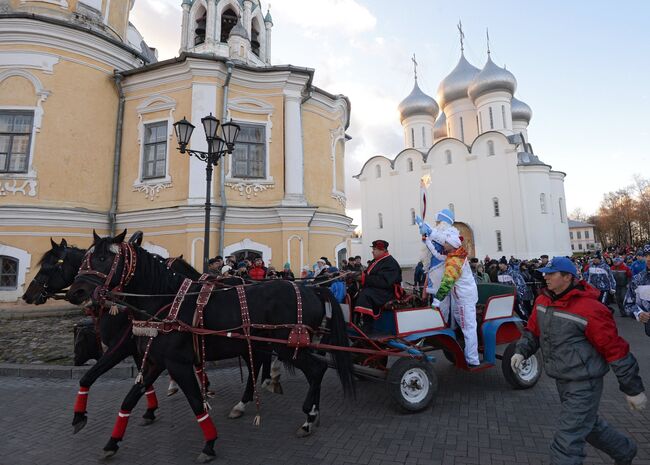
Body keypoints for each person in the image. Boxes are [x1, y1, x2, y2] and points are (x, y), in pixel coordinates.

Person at [511, 256, 646, 465]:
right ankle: (625, 450)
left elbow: (615, 349)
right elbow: (533, 332)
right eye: (545, 273)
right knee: (588, 426)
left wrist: (632, 389)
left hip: (585, 383)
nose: (545, 277)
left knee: (567, 442)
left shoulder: (590, 309)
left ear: (567, 277)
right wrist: (521, 351)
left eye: (551, 274)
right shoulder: (542, 301)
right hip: (562, 379)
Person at [430, 228, 480, 367]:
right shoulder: (455, 254)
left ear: (451, 243)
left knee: (468, 326)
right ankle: (466, 350)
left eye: (445, 242)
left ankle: (472, 358)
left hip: (464, 297)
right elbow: (439, 248)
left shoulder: (455, 260)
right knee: (461, 320)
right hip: (462, 297)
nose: (443, 244)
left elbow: (447, 282)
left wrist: (437, 299)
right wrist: (429, 237)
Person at [354, 240, 402, 324]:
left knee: (366, 294)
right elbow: (366, 274)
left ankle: (368, 324)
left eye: (375, 249)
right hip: (377, 289)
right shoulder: (375, 261)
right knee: (353, 290)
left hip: (387, 292)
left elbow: (384, 282)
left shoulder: (391, 263)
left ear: (383, 250)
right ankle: (354, 321)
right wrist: (354, 275)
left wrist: (364, 278)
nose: (372, 251)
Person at [624, 244, 650, 324]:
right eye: (646, 255)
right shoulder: (638, 279)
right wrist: (639, 313)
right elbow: (628, 304)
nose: (648, 259)